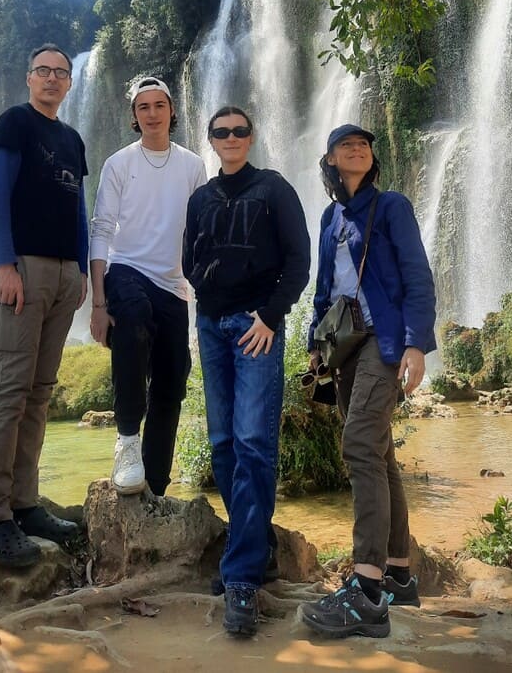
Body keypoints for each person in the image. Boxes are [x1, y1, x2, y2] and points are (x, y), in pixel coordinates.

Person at [300, 123, 436, 639]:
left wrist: (416, 343)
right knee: (379, 455)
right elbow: (323, 288)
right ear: (331, 159)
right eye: (345, 145)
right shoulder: (330, 217)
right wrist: (316, 345)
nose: (357, 150)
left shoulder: (392, 206)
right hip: (345, 349)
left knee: (358, 445)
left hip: (385, 342)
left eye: (364, 145)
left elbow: (417, 274)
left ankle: (366, 591)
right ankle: (399, 574)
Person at [183, 106, 311, 637]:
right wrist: (206, 296)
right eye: (221, 132)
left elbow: (299, 259)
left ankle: (240, 579)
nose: (230, 138)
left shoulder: (274, 189)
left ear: (251, 137)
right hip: (212, 326)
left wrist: (269, 315)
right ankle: (250, 552)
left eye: (239, 131)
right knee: (223, 445)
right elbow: (190, 257)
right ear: (211, 140)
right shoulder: (201, 198)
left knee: (254, 442)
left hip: (256, 326)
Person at [0, 44, 88, 567]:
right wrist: (1, 264)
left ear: (68, 83)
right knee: (11, 388)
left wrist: (82, 268)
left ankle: (25, 502)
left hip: (65, 273)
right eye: (43, 71)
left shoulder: (72, 138)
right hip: (24, 266)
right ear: (29, 77)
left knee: (40, 392)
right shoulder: (14, 123)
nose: (52, 79)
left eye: (60, 74)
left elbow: (78, 208)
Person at [89, 77, 206, 498]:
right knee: (133, 319)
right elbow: (101, 229)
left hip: (173, 285)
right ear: (134, 115)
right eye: (144, 107)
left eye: (159, 105)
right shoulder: (119, 163)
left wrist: (203, 292)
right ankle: (126, 440)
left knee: (174, 378)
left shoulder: (193, 165)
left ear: (172, 111)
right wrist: (98, 303)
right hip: (126, 269)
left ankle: (155, 484)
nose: (152, 113)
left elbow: (199, 232)